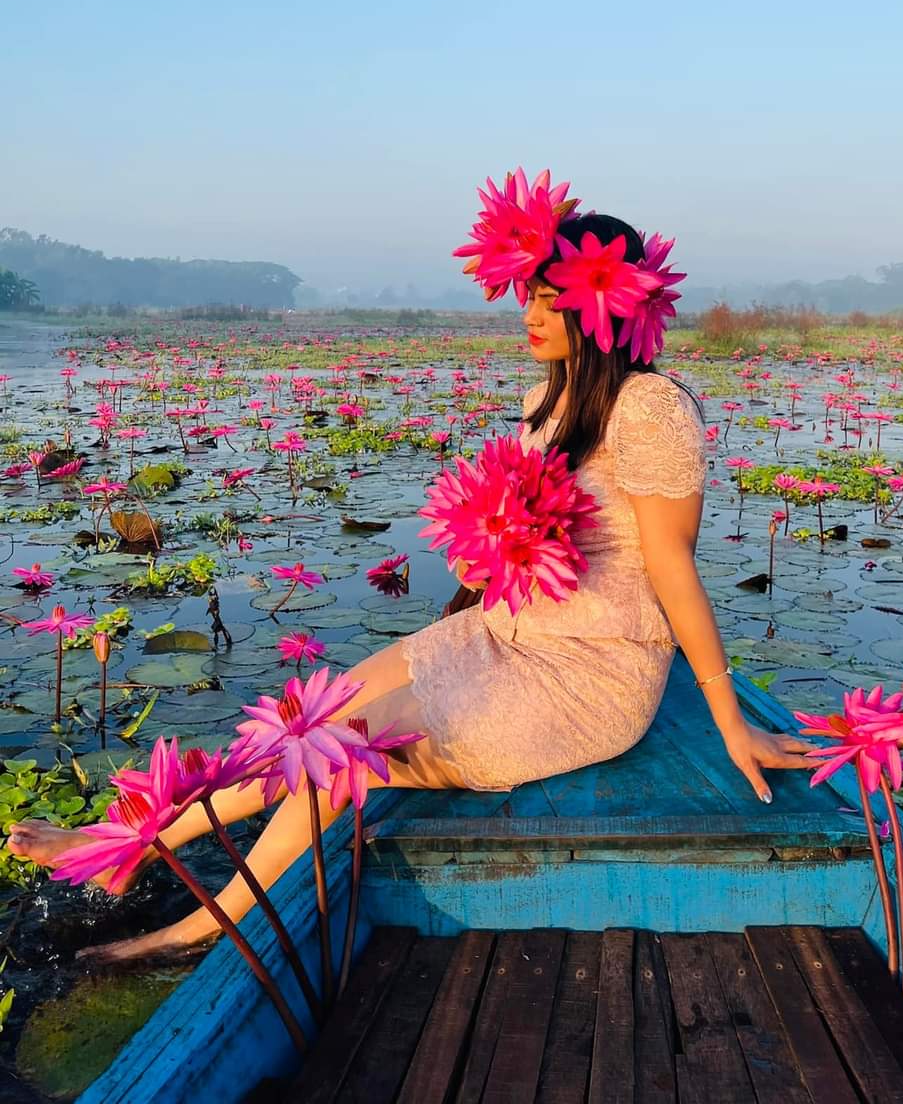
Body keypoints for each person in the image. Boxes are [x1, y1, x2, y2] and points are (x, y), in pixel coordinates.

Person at [7, 180, 812, 962]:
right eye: (525, 295)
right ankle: (134, 844)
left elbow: (671, 567)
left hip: (590, 676)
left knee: (334, 754)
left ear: (605, 304)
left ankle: (200, 928)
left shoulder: (651, 407)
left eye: (547, 298)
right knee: (305, 722)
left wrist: (728, 718)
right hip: (504, 634)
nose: (528, 315)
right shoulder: (548, 402)